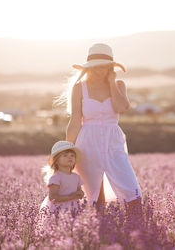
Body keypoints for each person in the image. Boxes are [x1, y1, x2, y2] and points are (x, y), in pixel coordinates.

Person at [55, 43, 143, 218]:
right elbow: (74, 121)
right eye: (95, 67)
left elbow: (121, 107)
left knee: (131, 188)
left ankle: (140, 227)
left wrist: (111, 82)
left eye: (104, 67)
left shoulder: (119, 84)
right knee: (93, 192)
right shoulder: (80, 87)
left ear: (110, 67)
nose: (99, 70)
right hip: (87, 141)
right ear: (88, 68)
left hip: (114, 142)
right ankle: (99, 230)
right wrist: (66, 151)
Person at [39, 140, 85, 215]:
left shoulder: (76, 177)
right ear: (56, 160)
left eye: (72, 155)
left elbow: (80, 193)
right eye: (65, 155)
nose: (70, 157)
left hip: (73, 208)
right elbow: (53, 197)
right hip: (58, 210)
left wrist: (80, 193)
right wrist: (71, 196)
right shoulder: (56, 178)